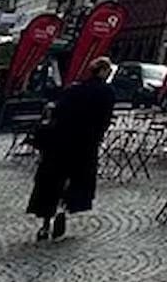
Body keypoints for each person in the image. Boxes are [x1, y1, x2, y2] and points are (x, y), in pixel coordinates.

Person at [26, 56, 117, 241]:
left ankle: (45, 223)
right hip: (85, 144)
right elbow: (104, 120)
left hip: (59, 142)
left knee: (51, 181)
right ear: (102, 71)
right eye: (107, 71)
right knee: (76, 181)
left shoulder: (74, 89)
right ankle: (63, 211)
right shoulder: (106, 92)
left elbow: (57, 111)